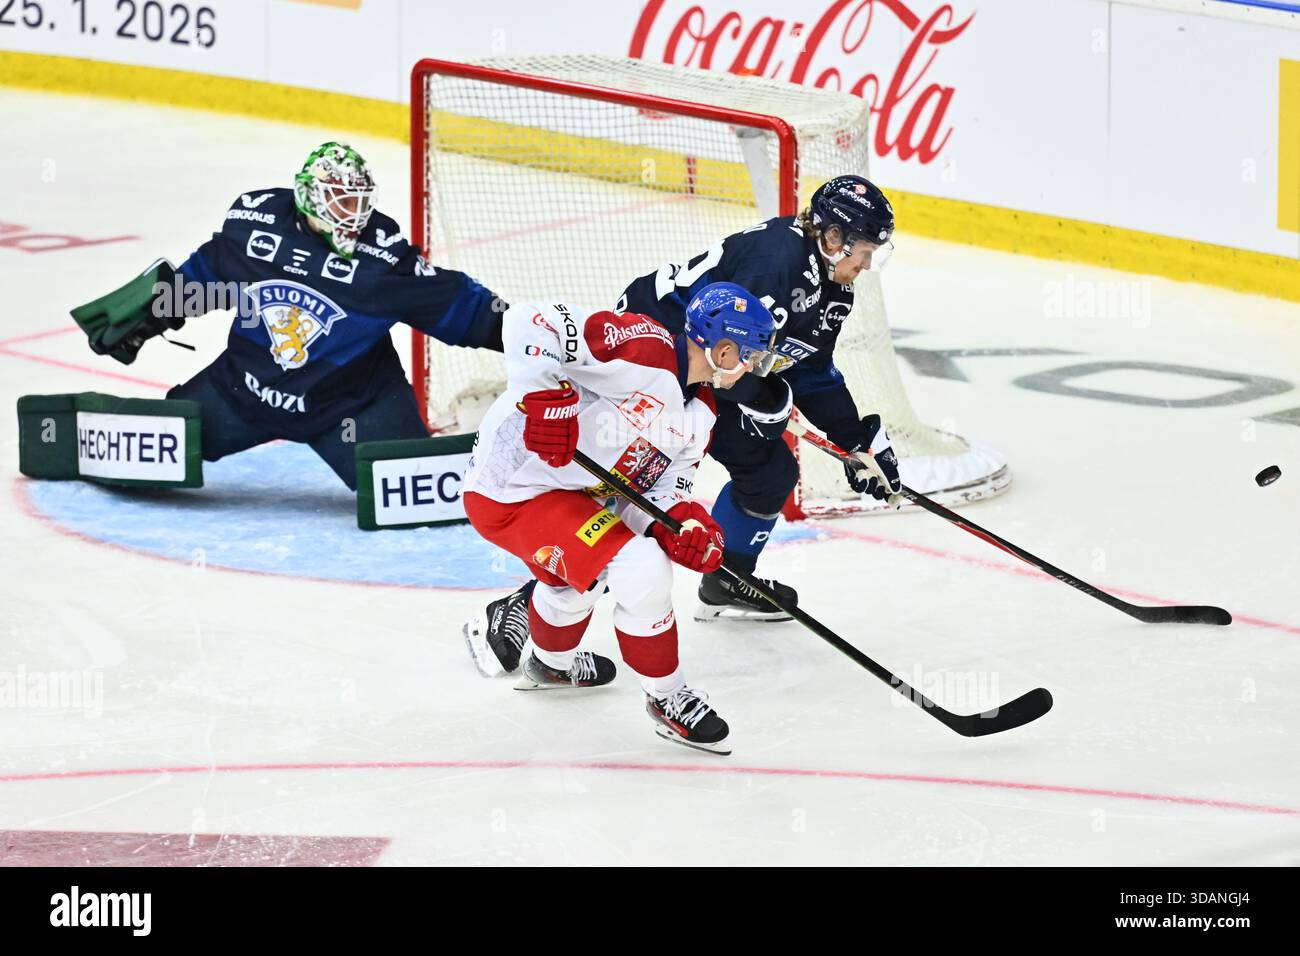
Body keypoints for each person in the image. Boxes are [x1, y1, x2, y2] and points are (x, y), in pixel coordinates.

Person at [71, 141, 504, 489]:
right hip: (242, 393)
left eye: (358, 202)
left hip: (351, 409)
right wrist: (158, 310)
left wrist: (520, 330)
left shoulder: (381, 262)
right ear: (308, 198)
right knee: (157, 452)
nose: (352, 216)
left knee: (426, 491)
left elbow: (458, 306)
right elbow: (206, 275)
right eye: (339, 202)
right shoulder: (253, 226)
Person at [459, 283, 777, 754]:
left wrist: (685, 525)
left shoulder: (700, 415)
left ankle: (550, 664)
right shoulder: (642, 346)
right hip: (511, 490)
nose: (752, 368)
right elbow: (529, 319)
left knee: (573, 585)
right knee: (639, 566)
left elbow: (654, 492)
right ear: (723, 348)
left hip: (574, 496)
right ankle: (667, 698)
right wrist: (546, 394)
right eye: (750, 355)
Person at [617, 174, 903, 621]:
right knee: (626, 482)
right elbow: (724, 353)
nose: (867, 264)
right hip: (658, 353)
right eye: (865, 250)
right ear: (834, 237)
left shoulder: (832, 287)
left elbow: (810, 369)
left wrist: (855, 439)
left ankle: (728, 581)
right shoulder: (778, 265)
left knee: (771, 472)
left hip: (711, 368)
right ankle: (532, 602)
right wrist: (768, 399)